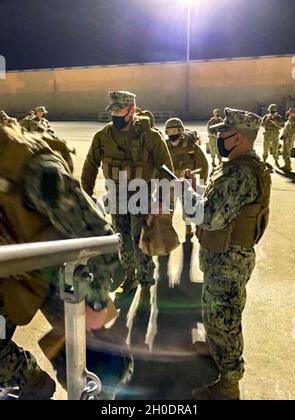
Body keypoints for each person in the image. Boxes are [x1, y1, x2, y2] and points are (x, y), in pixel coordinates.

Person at [0, 111, 120, 400]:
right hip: (13, 270)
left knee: (92, 362)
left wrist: (96, 299)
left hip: (60, 272)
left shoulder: (32, 167)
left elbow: (97, 236)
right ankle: (32, 385)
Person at [181, 108, 272, 400]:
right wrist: (195, 187)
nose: (217, 137)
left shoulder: (241, 173)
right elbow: (217, 203)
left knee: (226, 320)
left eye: (224, 133)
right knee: (214, 313)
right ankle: (216, 351)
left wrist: (185, 194)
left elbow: (208, 216)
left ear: (241, 138)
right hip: (222, 257)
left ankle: (229, 383)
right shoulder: (235, 165)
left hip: (229, 262)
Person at [81, 91, 174, 317]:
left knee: (141, 240)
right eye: (112, 110)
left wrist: (163, 202)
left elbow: (166, 171)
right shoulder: (103, 136)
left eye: (118, 110)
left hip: (143, 197)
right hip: (117, 197)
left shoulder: (150, 137)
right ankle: (130, 279)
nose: (114, 114)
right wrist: (86, 195)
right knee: (122, 241)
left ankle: (145, 284)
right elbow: (90, 164)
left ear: (132, 110)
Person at [165, 117, 208, 237]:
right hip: (170, 182)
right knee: (168, 208)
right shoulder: (164, 147)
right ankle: (167, 229)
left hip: (186, 183)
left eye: (174, 131)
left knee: (187, 206)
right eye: (169, 132)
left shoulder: (191, 147)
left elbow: (203, 165)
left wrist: (200, 185)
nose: (172, 134)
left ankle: (188, 228)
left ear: (180, 131)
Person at [281, 108, 295, 172]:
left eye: (291, 112)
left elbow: (292, 132)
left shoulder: (293, 121)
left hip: (289, 140)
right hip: (286, 139)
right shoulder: (289, 120)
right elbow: (285, 127)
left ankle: (288, 166)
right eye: (290, 112)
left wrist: (288, 139)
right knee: (285, 152)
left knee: (286, 152)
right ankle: (287, 165)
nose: (289, 113)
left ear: (294, 114)